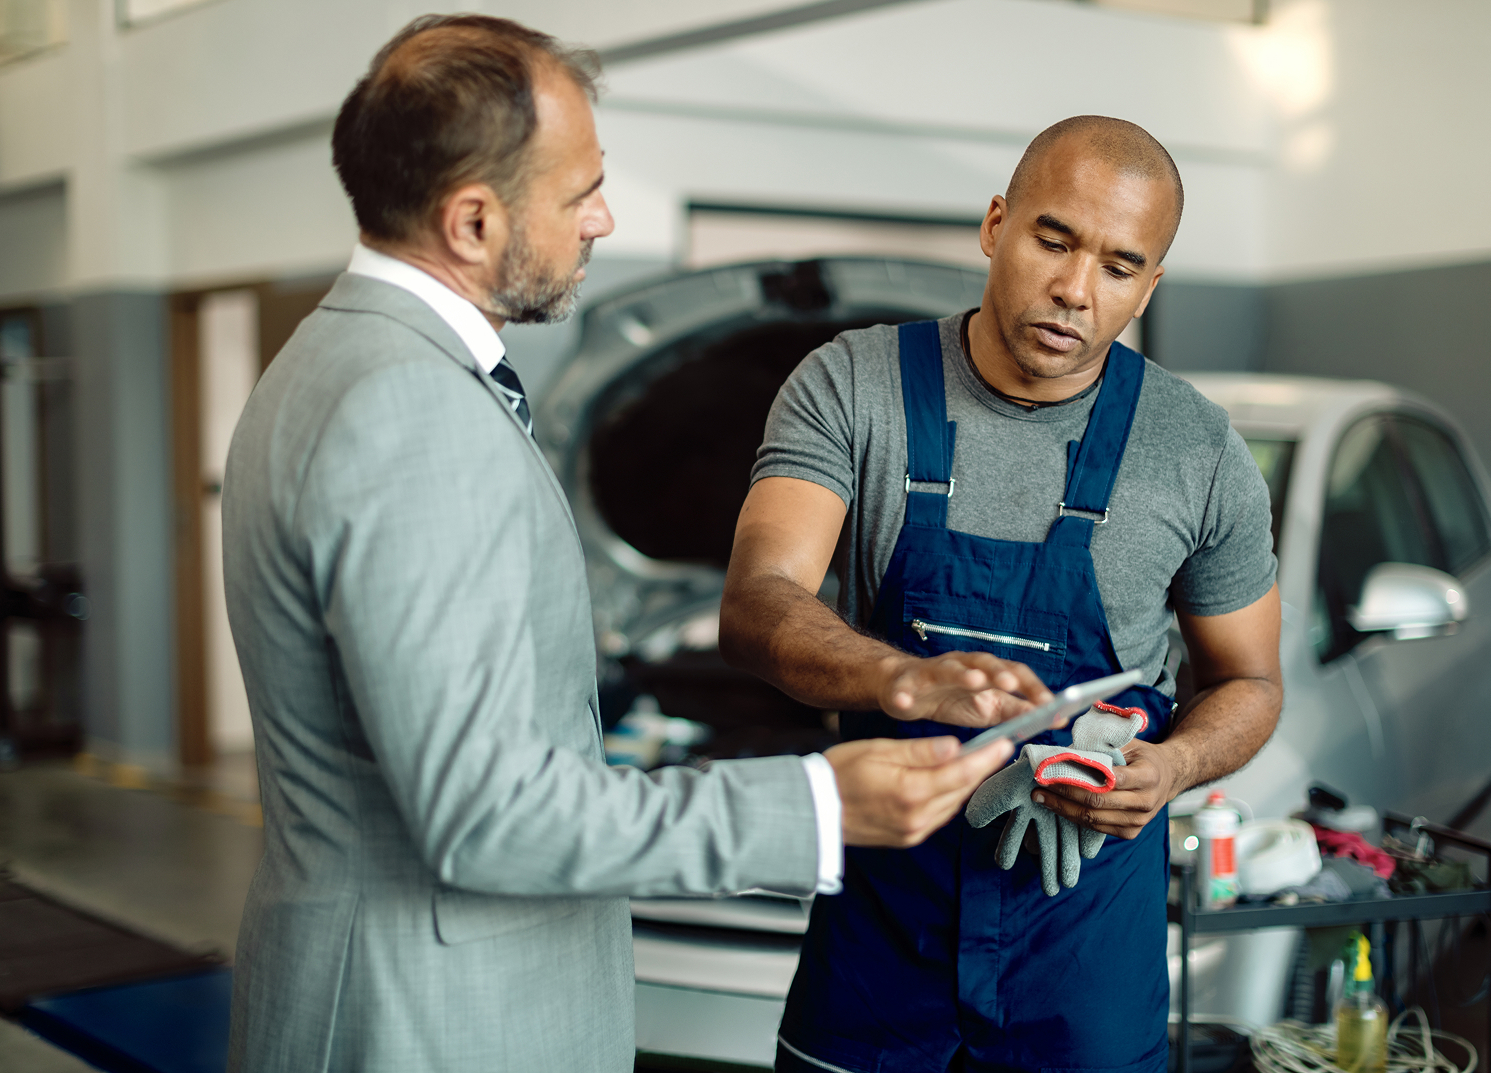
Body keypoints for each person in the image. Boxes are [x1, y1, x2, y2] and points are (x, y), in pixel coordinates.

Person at [221, 15, 1025, 1073]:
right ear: (470, 220)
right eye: (579, 191)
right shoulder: (404, 408)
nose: (601, 220)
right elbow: (487, 815)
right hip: (431, 1016)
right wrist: (819, 801)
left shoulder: (334, 363)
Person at [720, 116, 1284, 1073]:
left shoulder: (1197, 450)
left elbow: (1249, 682)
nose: (1073, 289)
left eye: (1118, 265)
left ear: (1149, 288)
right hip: (880, 927)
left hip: (1084, 940)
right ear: (994, 226)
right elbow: (759, 599)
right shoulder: (853, 386)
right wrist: (902, 678)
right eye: (1052, 240)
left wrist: (1176, 764)